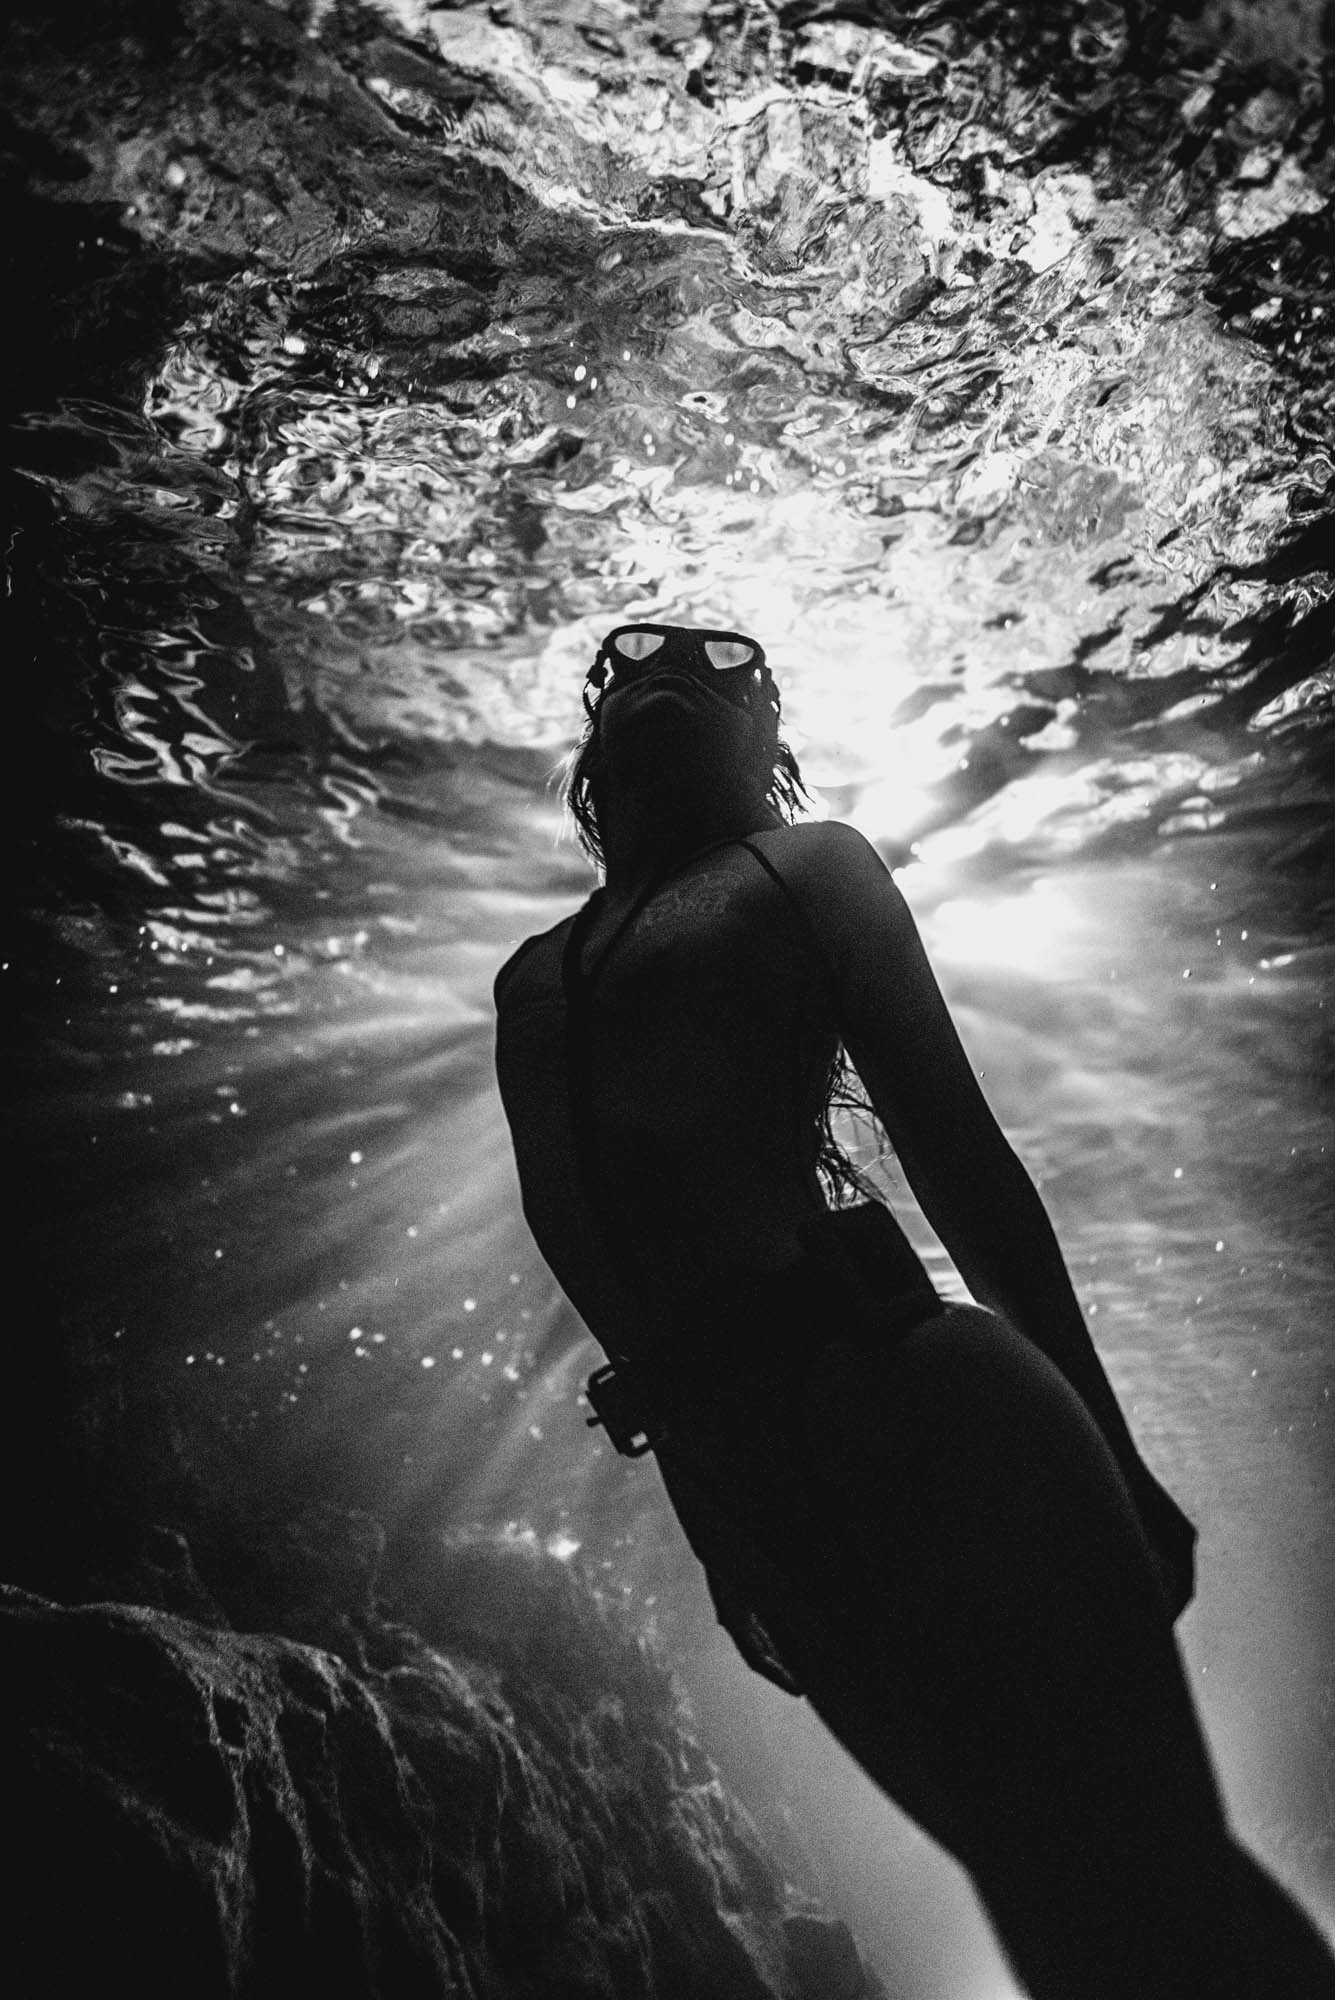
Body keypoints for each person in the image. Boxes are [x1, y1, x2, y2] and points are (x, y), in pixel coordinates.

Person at [492, 622, 1335, 1999]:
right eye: (633, 664)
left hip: (938, 1410)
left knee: (1162, 1880)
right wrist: (719, 1531)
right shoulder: (533, 983)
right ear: (595, 735)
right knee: (1067, 1912)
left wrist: (1113, 1452)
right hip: (785, 1495)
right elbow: (614, 1295)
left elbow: (959, 1162)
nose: (667, 672)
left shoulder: (812, 865)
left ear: (764, 736)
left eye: (712, 666)